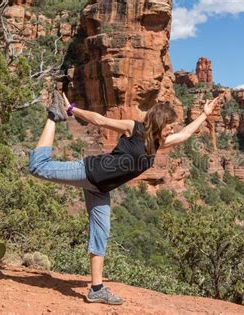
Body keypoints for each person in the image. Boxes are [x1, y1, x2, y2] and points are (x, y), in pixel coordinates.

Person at [28, 90, 219, 305]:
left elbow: (184, 135)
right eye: (170, 125)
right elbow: (100, 120)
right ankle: (53, 117)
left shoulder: (158, 143)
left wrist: (204, 114)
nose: (172, 129)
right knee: (37, 167)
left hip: (100, 188)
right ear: (159, 122)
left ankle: (97, 289)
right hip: (90, 172)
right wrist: (72, 110)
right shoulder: (134, 128)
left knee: (101, 232)